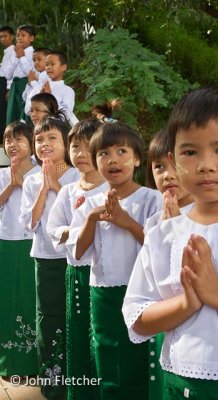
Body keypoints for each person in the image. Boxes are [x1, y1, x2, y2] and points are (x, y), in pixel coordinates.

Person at [122, 87, 218, 400]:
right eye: (190, 152)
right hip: (178, 385)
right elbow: (138, 318)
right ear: (173, 161)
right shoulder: (162, 235)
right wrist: (187, 304)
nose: (205, 164)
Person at [66, 99, 162, 400]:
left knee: (137, 358)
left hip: (142, 292)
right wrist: (92, 219)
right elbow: (78, 255)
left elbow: (160, 249)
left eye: (122, 151)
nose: (113, 159)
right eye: (104, 153)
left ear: (136, 160)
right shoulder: (91, 202)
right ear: (96, 163)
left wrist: (126, 222)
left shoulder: (151, 199)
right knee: (105, 356)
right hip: (102, 292)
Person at [47, 119, 107, 400]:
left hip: (107, 275)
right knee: (78, 338)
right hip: (76, 273)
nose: (81, 153)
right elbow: (53, 228)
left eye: (88, 147)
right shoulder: (69, 191)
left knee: (103, 340)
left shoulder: (112, 188)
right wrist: (79, 230)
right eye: (75, 147)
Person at [19, 117, 79, 400]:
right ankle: (53, 384)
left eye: (52, 138)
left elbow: (81, 221)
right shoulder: (31, 180)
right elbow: (28, 224)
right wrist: (43, 187)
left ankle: (80, 380)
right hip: (45, 259)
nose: (44, 144)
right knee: (49, 318)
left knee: (76, 318)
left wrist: (56, 184)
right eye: (39, 140)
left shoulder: (79, 176)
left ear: (66, 143)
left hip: (75, 259)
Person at [145, 128, 194, 400]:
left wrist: (176, 229)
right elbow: (153, 274)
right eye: (159, 167)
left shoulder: (205, 215)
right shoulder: (154, 219)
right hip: (162, 315)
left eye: (177, 164)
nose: (168, 175)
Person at [0, 121, 39, 378]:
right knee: (7, 300)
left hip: (35, 245)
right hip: (6, 242)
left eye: (19, 140)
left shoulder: (43, 171)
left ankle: (34, 363)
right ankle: (8, 362)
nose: (13, 145)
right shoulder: (2, 173)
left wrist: (23, 183)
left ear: (31, 143)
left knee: (30, 300)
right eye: (8, 141)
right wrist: (11, 184)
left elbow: (47, 203)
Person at [24, 50, 75, 122]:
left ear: (63, 67)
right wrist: (40, 97)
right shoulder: (39, 87)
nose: (48, 67)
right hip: (38, 127)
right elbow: (27, 110)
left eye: (52, 64)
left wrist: (50, 97)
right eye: (47, 64)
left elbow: (65, 115)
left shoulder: (68, 91)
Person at [5, 24, 35, 125]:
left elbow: (31, 73)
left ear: (31, 38)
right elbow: (7, 75)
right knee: (12, 115)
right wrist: (16, 57)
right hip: (14, 87)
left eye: (23, 35)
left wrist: (22, 57)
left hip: (25, 85)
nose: (19, 38)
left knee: (24, 113)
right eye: (18, 35)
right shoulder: (15, 53)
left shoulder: (34, 54)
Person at [22, 47, 51, 117]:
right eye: (34, 60)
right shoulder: (37, 75)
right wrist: (29, 84)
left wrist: (33, 82)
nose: (36, 62)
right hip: (31, 111)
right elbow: (24, 96)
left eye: (39, 59)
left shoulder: (47, 75)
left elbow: (41, 92)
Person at [0, 26, 15, 142]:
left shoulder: (14, 51)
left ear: (12, 37)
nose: (2, 39)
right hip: (2, 82)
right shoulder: (7, 52)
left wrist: (9, 89)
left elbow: (12, 71)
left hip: (5, 84)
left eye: (5, 36)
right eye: (1, 37)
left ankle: (4, 138)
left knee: (4, 112)